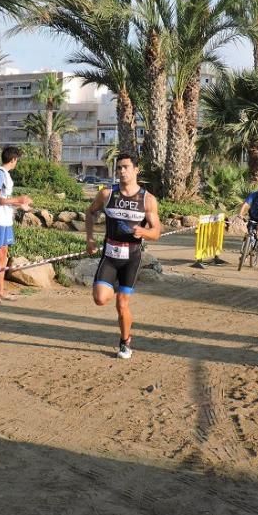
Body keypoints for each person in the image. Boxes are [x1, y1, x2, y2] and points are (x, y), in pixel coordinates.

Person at [85, 152, 161, 359]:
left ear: (136, 170)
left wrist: (144, 232)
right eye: (119, 168)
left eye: (126, 167)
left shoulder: (147, 200)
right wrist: (90, 239)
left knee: (122, 304)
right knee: (100, 299)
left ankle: (125, 342)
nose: (121, 171)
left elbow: (156, 232)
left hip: (131, 257)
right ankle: (112, 287)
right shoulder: (107, 194)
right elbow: (90, 213)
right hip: (110, 253)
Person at [0, 146, 32, 305]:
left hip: (6, 220)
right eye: (17, 160)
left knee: (4, 255)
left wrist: (20, 205)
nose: (16, 163)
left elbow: (4, 200)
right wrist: (18, 199)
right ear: (13, 160)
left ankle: (1, 290)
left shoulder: (5, 175)